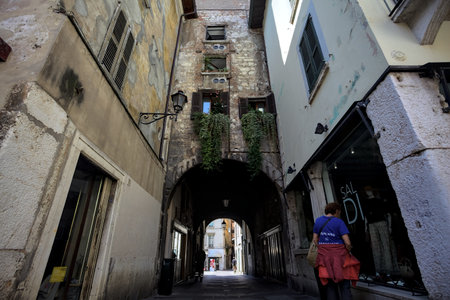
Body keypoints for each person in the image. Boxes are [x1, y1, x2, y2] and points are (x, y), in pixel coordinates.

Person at [313, 202, 359, 300]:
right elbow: (347, 242)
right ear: (337, 211)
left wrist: (324, 248)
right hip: (341, 259)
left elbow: (315, 240)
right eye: (339, 212)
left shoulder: (318, 221)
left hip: (325, 259)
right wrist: (348, 250)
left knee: (330, 287)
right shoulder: (339, 222)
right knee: (344, 286)